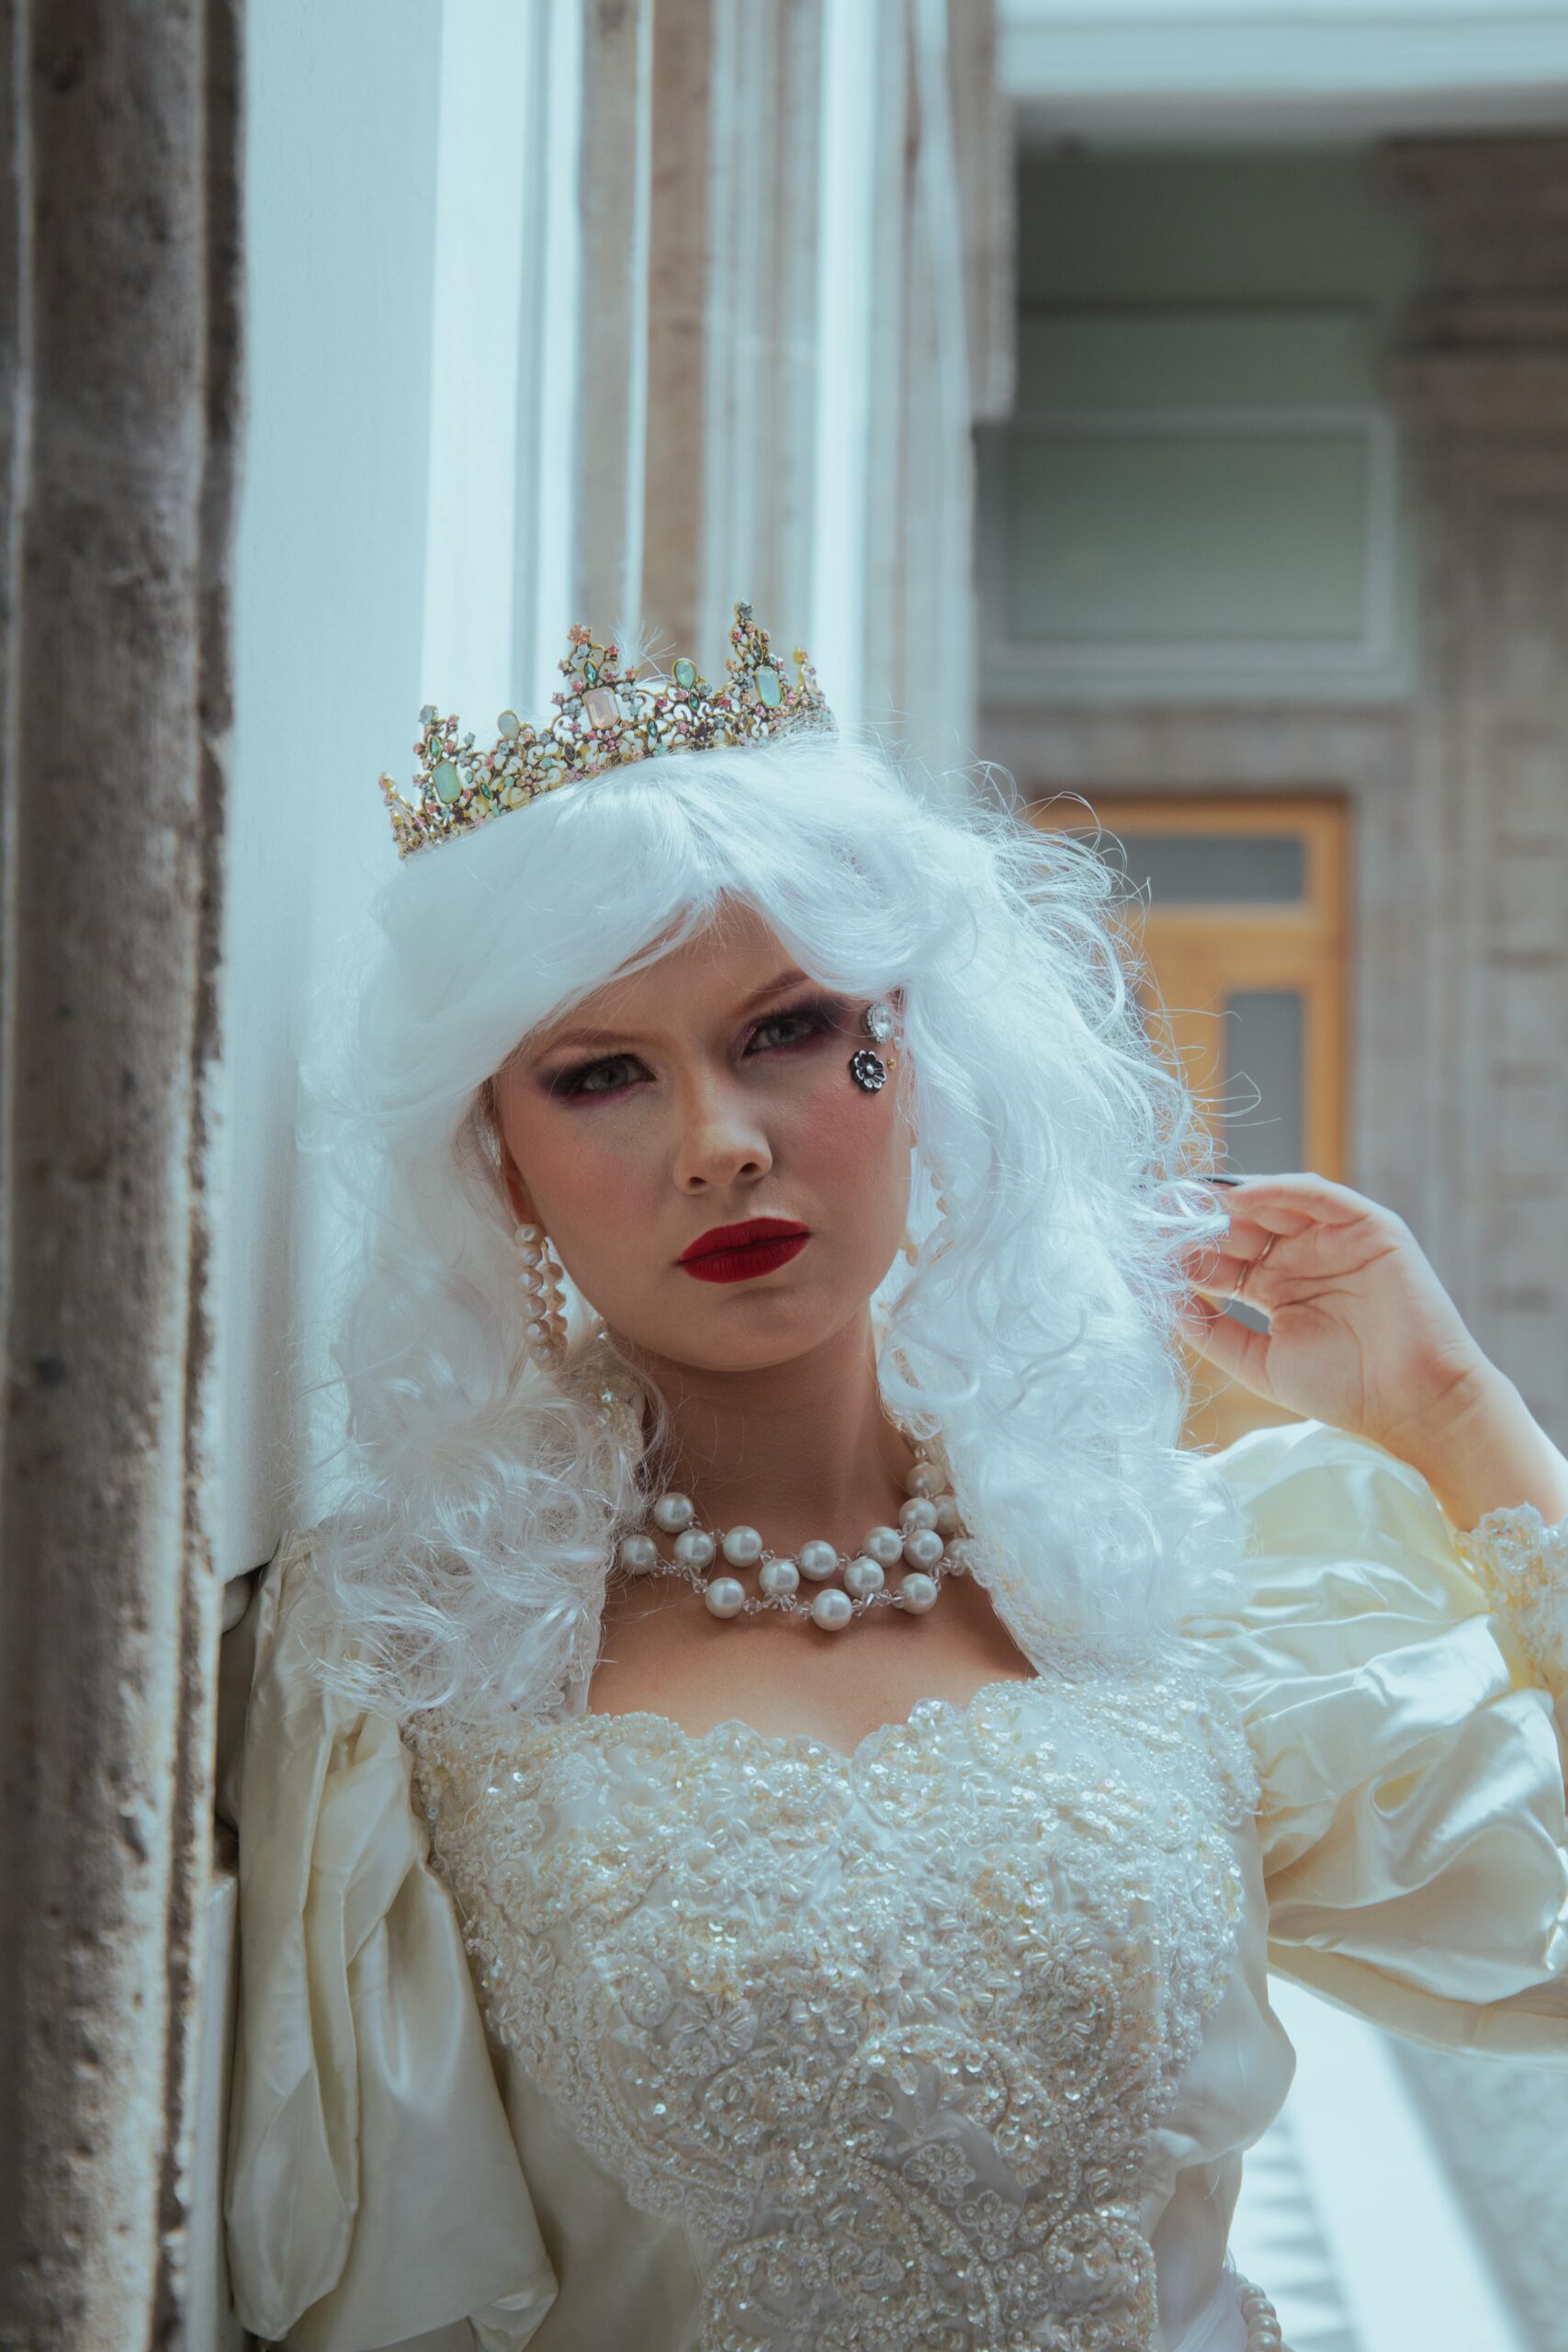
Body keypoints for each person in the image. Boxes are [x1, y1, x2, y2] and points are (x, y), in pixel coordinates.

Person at [223, 606, 1568, 2352]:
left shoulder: (1167, 1581)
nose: (722, 1139)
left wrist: (1461, 1419)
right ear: (503, 1165)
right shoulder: (413, 1660)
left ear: (912, 1054)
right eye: (603, 1074)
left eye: (789, 1030)